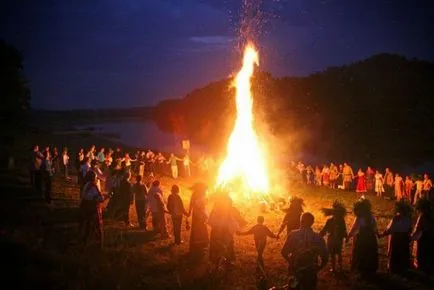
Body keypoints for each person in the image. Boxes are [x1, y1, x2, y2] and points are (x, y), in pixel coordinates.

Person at [281, 212, 328, 290]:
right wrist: (319, 268)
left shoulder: (293, 235)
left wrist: (291, 262)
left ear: (301, 221)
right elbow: (325, 257)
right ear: (312, 223)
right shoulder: (318, 238)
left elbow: (283, 252)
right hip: (311, 272)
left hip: (295, 271)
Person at [378, 199, 412, 275]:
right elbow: (410, 229)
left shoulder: (396, 218)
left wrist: (382, 235)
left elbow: (390, 229)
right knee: (403, 252)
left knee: (395, 253)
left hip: (397, 238)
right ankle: (403, 268)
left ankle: (395, 268)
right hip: (404, 238)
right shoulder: (408, 218)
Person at [346, 198, 379, 278]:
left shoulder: (359, 218)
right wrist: (377, 234)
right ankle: (369, 268)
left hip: (362, 238)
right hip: (371, 237)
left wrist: (349, 236)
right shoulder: (371, 217)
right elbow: (375, 227)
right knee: (370, 251)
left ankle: (361, 268)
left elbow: (354, 228)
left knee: (360, 251)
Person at [319, 201, 347, 273]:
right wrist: (345, 236)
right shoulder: (341, 220)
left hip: (332, 239)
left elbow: (325, 229)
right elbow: (344, 230)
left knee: (333, 254)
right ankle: (339, 268)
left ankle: (334, 268)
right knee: (338, 253)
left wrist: (321, 234)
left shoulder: (330, 220)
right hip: (337, 239)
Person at [79, 171, 104, 248]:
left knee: (87, 225)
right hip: (92, 208)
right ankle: (96, 243)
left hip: (85, 206)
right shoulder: (93, 186)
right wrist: (102, 197)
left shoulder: (86, 185)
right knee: (94, 226)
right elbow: (100, 198)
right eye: (95, 177)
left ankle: (85, 241)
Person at [411, 198, 434, 277]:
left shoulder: (422, 216)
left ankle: (423, 268)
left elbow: (418, 227)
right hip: (430, 237)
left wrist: (413, 235)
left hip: (423, 238)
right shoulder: (430, 214)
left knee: (422, 253)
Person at [187, 182, 209, 255]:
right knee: (199, 229)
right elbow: (197, 204)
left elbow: (193, 203)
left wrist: (190, 212)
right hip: (198, 214)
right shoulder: (199, 195)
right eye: (204, 189)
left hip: (198, 214)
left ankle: (199, 245)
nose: (205, 191)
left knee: (200, 228)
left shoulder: (197, 194)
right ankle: (199, 246)